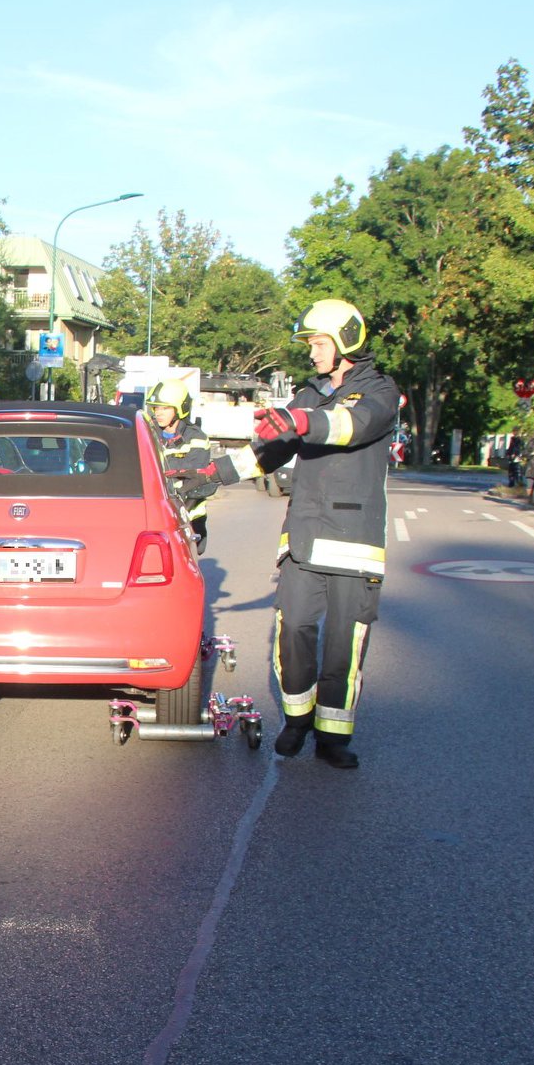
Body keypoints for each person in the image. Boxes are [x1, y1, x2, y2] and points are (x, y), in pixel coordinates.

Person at [189, 298, 399, 769]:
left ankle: (332, 737)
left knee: (344, 644)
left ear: (347, 341)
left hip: (355, 542)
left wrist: (300, 420)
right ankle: (297, 719)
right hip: (303, 538)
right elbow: (270, 449)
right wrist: (209, 474)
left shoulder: (380, 392)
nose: (312, 353)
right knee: (293, 631)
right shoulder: (310, 393)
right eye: (310, 344)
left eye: (319, 343)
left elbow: (350, 426)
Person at [144, 377, 216, 550]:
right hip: (156, 513)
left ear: (180, 408)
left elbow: (193, 475)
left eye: (165, 408)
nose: (158, 413)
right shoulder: (147, 432)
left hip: (188, 516)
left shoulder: (196, 438)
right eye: (156, 408)